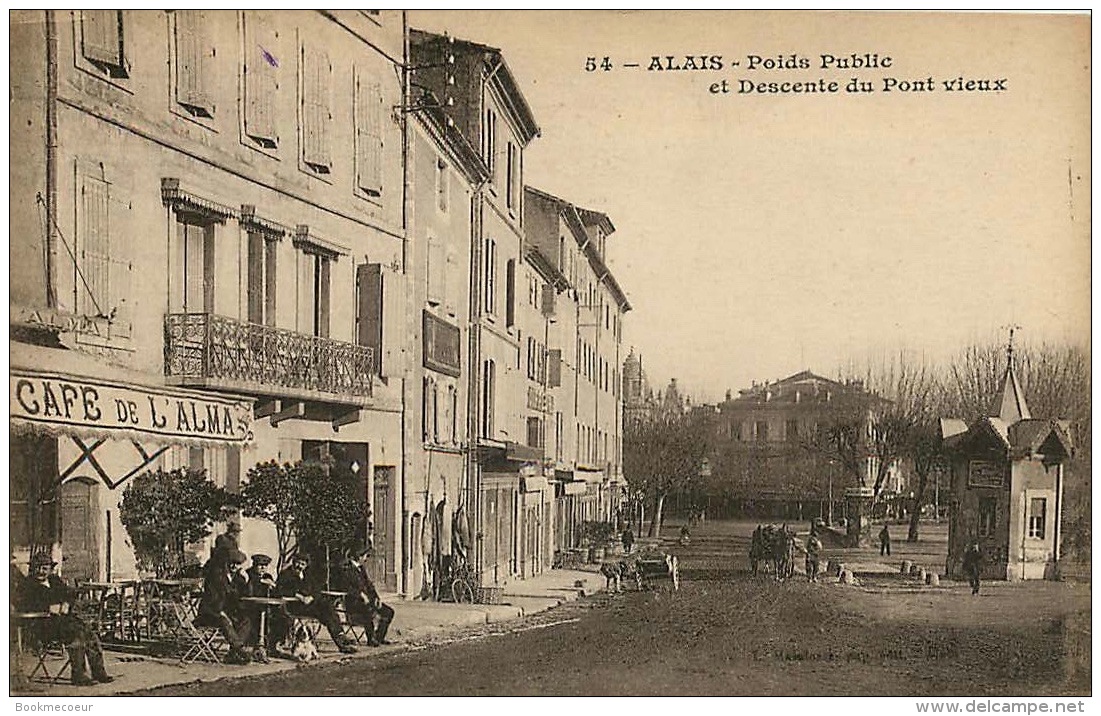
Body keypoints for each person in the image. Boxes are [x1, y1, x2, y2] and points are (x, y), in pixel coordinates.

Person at [19, 553, 115, 686]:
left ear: (50, 569)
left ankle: (98, 672)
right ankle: (78, 675)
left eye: (44, 568)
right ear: (33, 569)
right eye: (37, 568)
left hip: (63, 622)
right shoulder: (27, 585)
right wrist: (47, 608)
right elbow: (24, 605)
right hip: (42, 625)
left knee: (90, 634)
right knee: (77, 636)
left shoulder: (54, 580)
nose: (41, 571)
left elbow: (70, 593)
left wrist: (66, 603)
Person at [276, 553, 357, 654]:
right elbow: (280, 590)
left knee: (327, 608)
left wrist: (312, 596)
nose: (299, 566)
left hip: (309, 606)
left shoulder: (307, 574)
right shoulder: (285, 574)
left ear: (306, 565)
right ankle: (341, 639)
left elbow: (317, 589)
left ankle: (341, 641)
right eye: (298, 563)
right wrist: (299, 597)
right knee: (327, 611)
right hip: (293, 606)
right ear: (293, 561)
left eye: (302, 564)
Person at [196, 548, 254, 664]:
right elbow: (212, 599)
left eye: (237, 564)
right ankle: (240, 649)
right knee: (224, 621)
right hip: (210, 613)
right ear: (226, 563)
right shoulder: (216, 577)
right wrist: (222, 613)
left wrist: (248, 580)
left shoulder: (239, 578)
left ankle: (233, 653)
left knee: (246, 620)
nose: (234, 566)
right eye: (231, 563)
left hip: (227, 613)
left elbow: (246, 595)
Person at [344, 546, 395, 647]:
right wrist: (360, 594)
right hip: (354, 603)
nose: (366, 558)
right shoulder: (347, 570)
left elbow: (369, 586)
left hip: (368, 601)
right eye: (365, 556)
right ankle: (370, 638)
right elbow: (346, 588)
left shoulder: (361, 569)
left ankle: (379, 637)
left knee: (388, 612)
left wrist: (377, 598)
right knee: (367, 610)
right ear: (359, 557)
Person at [242, 554, 278, 657]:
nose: (263, 568)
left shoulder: (268, 577)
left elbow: (276, 592)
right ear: (254, 565)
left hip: (265, 606)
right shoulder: (247, 574)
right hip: (249, 606)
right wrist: (260, 581)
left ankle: (270, 645)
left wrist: (272, 586)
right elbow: (247, 592)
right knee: (254, 617)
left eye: (265, 566)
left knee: (278, 617)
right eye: (260, 565)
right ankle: (255, 646)